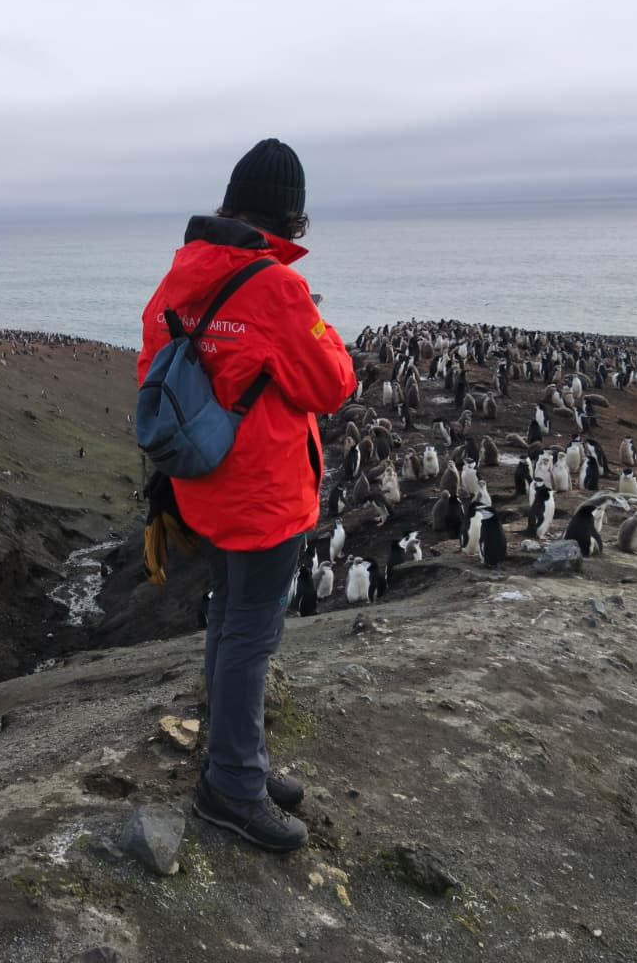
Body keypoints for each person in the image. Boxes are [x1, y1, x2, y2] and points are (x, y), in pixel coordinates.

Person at [136, 137, 356, 852]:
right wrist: (318, 323)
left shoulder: (180, 276)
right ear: (292, 216)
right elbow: (332, 384)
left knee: (229, 622)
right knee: (250, 638)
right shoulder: (277, 288)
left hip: (204, 487)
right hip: (265, 496)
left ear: (231, 202)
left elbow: (151, 366)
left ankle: (236, 757)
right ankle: (232, 786)